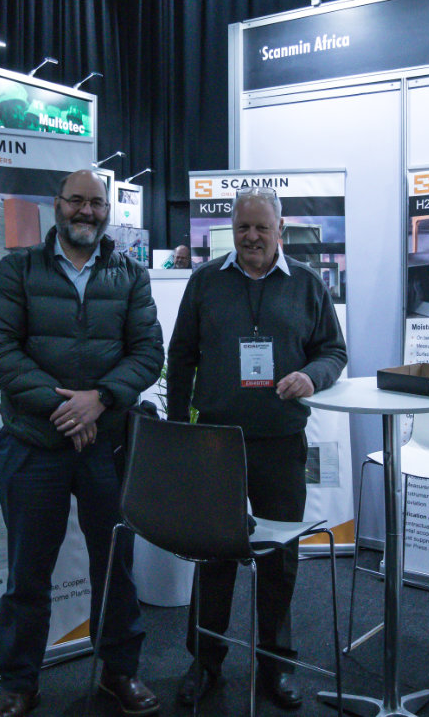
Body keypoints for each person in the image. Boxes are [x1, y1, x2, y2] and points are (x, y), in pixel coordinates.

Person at [0, 170, 164, 717]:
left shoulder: (129, 275)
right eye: (77, 200)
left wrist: (99, 399)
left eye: (96, 203)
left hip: (108, 445)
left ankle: (119, 673)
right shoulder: (18, 269)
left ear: (107, 210)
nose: (87, 211)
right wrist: (66, 409)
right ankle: (19, 682)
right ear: (57, 205)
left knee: (116, 566)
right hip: (33, 443)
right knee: (27, 571)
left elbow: (147, 353)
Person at [167, 186, 347, 710]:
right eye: (243, 227)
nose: (251, 237)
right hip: (217, 444)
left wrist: (312, 376)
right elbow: (181, 356)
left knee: (279, 559)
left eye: (261, 228)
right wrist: (179, 429)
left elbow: (333, 351)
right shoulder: (205, 281)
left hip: (281, 442)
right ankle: (205, 661)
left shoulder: (308, 285)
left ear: (279, 231)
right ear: (233, 229)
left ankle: (277, 664)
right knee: (215, 555)